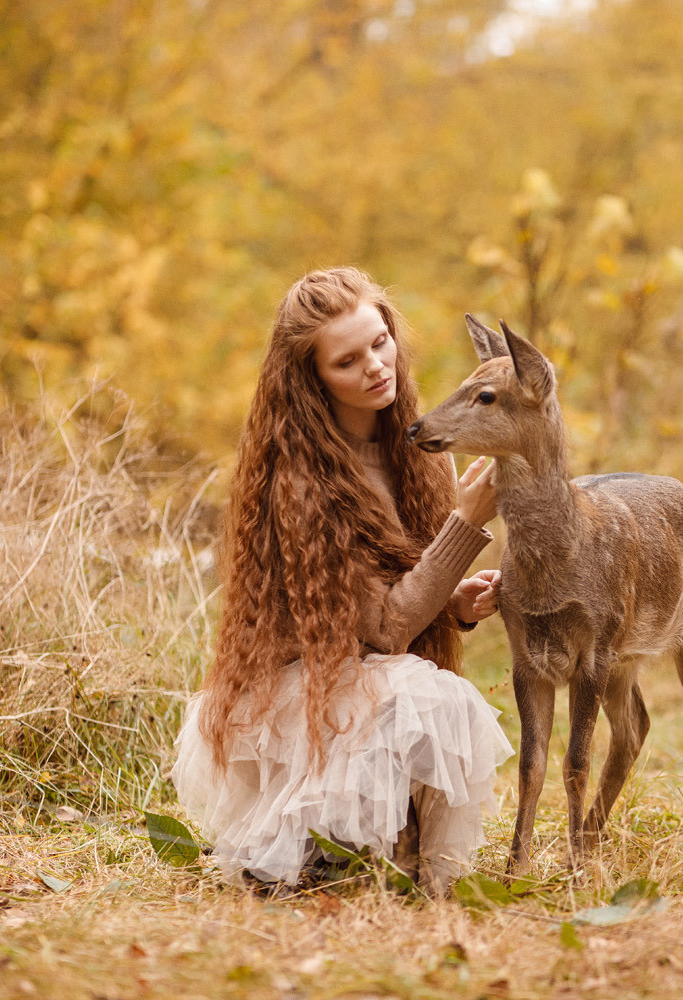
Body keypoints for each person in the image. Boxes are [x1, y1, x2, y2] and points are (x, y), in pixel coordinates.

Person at [170, 266, 513, 895]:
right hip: (300, 696)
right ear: (312, 380)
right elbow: (385, 629)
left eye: (380, 342)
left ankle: (354, 855)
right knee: (431, 697)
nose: (376, 367)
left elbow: (404, 597)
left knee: (424, 698)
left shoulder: (420, 449)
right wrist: (466, 523)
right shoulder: (302, 481)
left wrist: (456, 607)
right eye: (347, 361)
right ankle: (301, 858)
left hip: (367, 682)